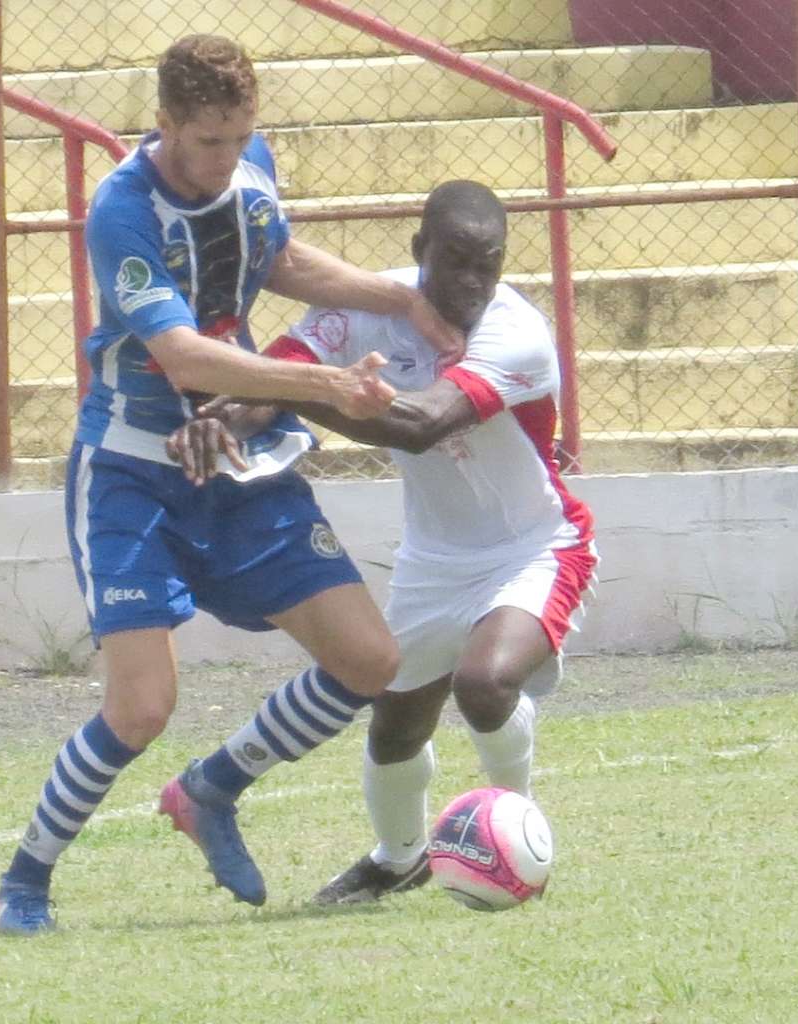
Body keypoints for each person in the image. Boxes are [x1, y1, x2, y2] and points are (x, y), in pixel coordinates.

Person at [0, 34, 464, 933]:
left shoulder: (249, 167)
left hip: (239, 464)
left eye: (240, 139)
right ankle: (24, 880)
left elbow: (274, 257)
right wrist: (325, 385)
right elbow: (182, 352)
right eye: (207, 141)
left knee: (369, 661)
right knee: (140, 708)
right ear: (164, 124)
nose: (225, 158)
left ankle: (211, 790)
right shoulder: (120, 212)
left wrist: (398, 296)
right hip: (133, 469)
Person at [167, 180, 597, 905]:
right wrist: (222, 420)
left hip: (535, 547)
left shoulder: (514, 331)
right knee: (395, 725)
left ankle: (515, 833)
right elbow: (272, 383)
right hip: (433, 562)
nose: (470, 283)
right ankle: (398, 858)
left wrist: (315, 392)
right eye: (454, 261)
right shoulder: (361, 313)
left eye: (485, 266)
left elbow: (424, 425)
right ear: (416, 250)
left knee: (485, 683)